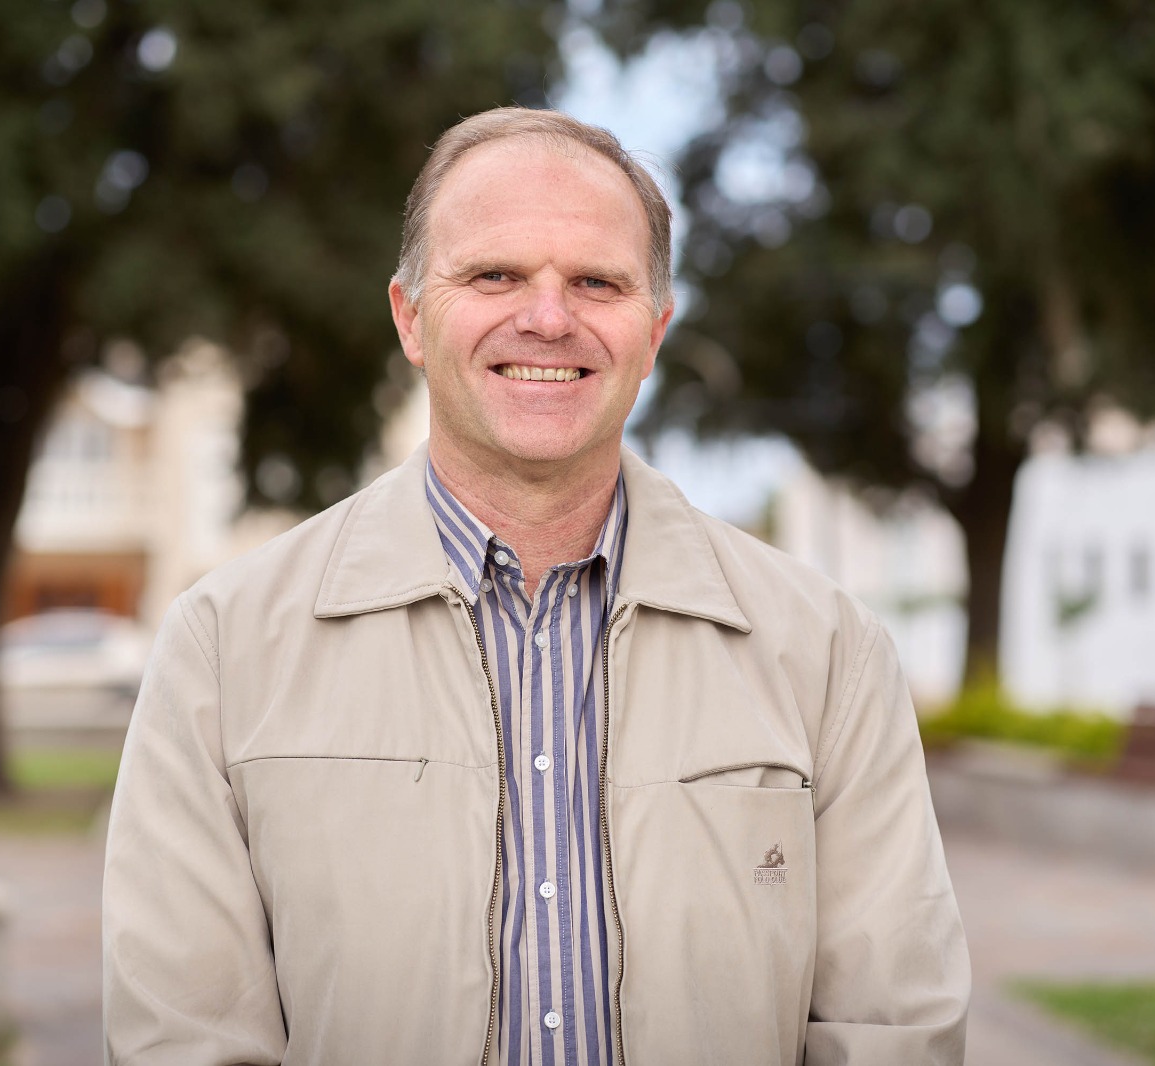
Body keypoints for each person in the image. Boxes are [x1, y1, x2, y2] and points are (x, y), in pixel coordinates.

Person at [103, 107, 969, 1065]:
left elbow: (893, 1032)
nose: (548, 320)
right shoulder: (224, 651)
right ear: (410, 317)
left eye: (597, 282)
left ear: (654, 330)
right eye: (494, 276)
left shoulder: (827, 652)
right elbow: (182, 1042)